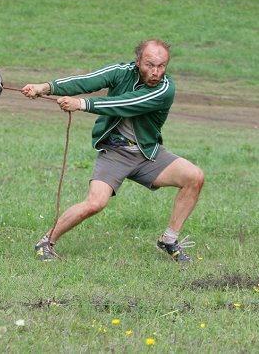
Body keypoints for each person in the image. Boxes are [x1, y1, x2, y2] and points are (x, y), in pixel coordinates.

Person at [21, 39, 204, 263]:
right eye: (149, 65)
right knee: (95, 203)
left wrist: (82, 104)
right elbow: (86, 81)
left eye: (161, 66)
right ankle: (46, 242)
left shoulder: (165, 89)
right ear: (137, 62)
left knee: (194, 177)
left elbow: (126, 103)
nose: (156, 72)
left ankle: (169, 240)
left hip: (147, 154)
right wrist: (44, 87)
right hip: (115, 152)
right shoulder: (120, 71)